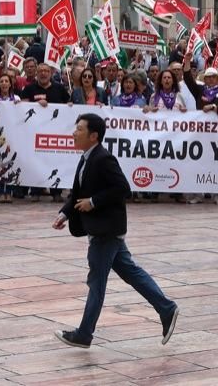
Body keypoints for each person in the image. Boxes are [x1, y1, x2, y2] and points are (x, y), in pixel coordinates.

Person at [52, 113, 179, 349]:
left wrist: (94, 201)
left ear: (93, 136)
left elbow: (123, 188)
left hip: (106, 231)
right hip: (104, 229)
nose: (73, 133)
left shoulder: (103, 159)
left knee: (96, 283)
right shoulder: (86, 158)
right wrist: (65, 213)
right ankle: (167, 309)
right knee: (131, 273)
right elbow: (77, 192)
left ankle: (84, 334)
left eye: (79, 129)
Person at [21, 63, 70, 202]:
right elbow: (23, 107)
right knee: (36, 161)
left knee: (56, 161)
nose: (43, 73)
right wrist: (35, 105)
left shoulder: (59, 88)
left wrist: (70, 106)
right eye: (41, 71)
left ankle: (56, 192)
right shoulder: (29, 89)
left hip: (56, 133)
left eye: (46, 71)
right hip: (35, 133)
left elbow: (68, 104)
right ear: (36, 73)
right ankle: (35, 191)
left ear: (51, 73)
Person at [0, 74, 20, 203]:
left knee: (11, 163)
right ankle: (1, 191)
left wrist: (19, 105)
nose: (4, 83)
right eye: (1, 81)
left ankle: (10, 191)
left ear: (10, 84)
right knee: (0, 163)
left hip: (12, 135)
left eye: (6, 81)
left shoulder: (16, 98)